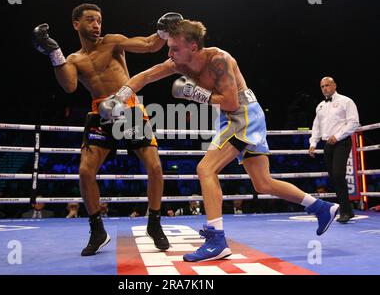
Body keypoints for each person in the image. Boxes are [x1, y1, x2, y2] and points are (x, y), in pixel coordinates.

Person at [102, 19, 340, 262]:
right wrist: (118, 98)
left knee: (205, 168)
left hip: (243, 115)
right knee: (263, 183)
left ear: (193, 47)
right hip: (231, 119)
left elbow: (231, 102)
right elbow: (146, 76)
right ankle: (321, 208)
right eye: (169, 48)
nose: (169, 53)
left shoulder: (219, 61)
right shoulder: (179, 63)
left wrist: (193, 93)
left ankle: (216, 239)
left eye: (175, 48)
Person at [33, 3, 182, 256]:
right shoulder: (74, 59)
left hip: (129, 108)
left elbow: (148, 45)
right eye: (90, 20)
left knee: (155, 167)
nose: (96, 25)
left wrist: (163, 31)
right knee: (85, 171)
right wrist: (54, 52)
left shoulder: (112, 42)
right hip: (99, 113)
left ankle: (155, 224)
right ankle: (97, 230)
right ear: (76, 24)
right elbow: (68, 86)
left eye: (99, 20)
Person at [309, 77, 360, 223]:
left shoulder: (346, 101)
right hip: (327, 144)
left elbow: (353, 123)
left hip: (342, 142)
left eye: (327, 85)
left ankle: (344, 211)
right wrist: (313, 143)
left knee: (338, 175)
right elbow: (316, 126)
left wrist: (337, 136)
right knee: (334, 178)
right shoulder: (320, 106)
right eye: (322, 86)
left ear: (334, 85)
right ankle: (347, 210)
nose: (325, 88)